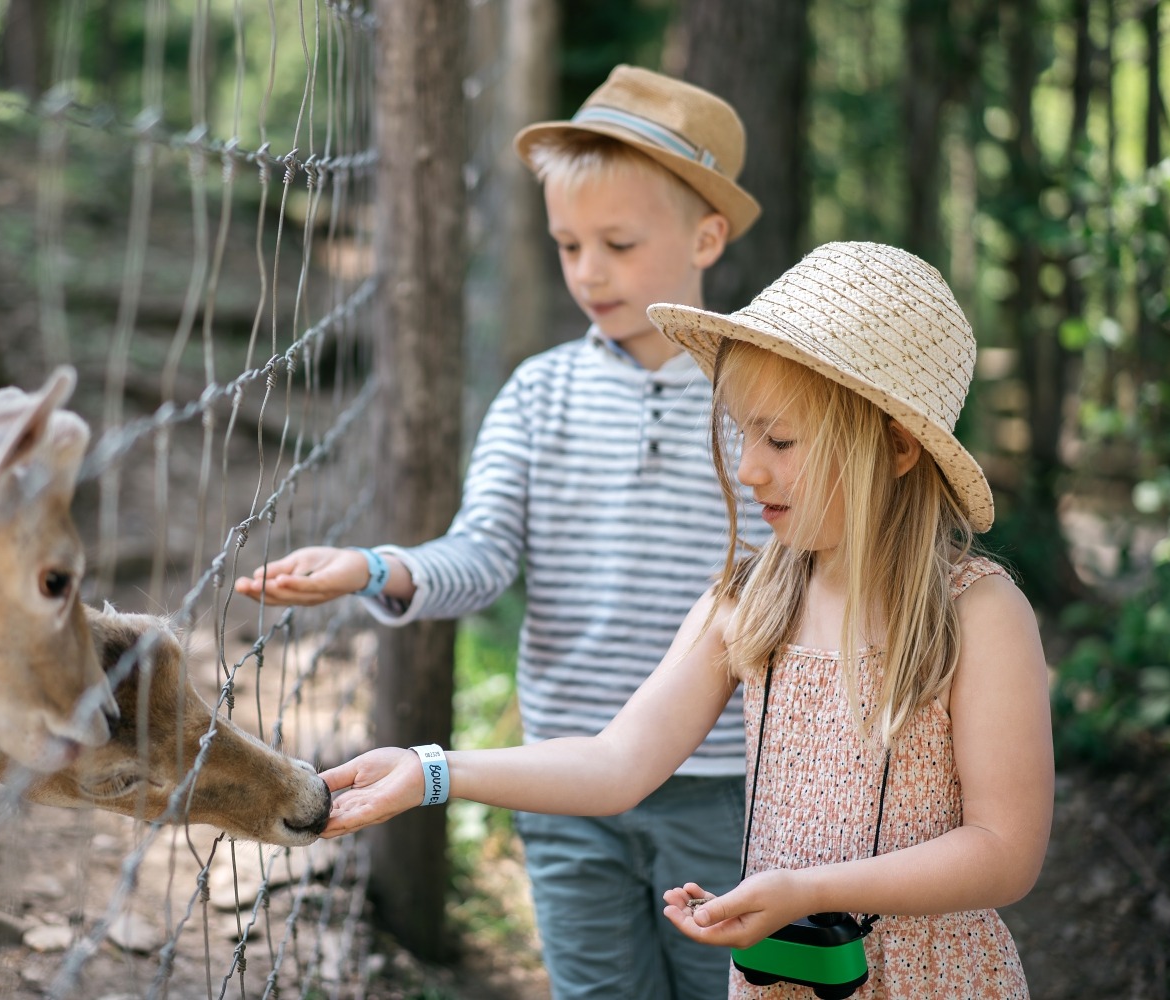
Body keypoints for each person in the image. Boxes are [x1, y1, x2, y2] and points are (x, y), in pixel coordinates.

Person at [311, 242, 1055, 999]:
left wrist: (807, 888)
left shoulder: (980, 615)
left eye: (782, 439)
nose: (747, 469)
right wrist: (432, 771)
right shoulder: (749, 603)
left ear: (895, 447)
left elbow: (1005, 850)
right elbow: (615, 763)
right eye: (743, 433)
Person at [236, 65, 767, 999]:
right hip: (561, 779)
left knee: (727, 990)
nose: (588, 271)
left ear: (707, 235)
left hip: (726, 784)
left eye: (618, 242)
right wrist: (376, 568)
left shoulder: (759, 403)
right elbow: (481, 558)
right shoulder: (538, 394)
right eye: (568, 245)